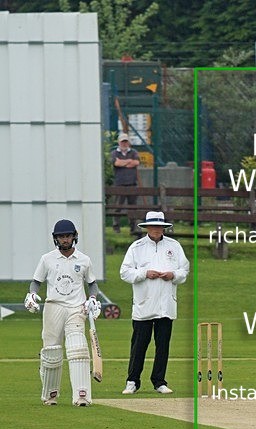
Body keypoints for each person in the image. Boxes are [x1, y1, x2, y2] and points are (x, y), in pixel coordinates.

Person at [25, 220, 102, 406]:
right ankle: (50, 395)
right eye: (61, 236)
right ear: (55, 238)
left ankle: (81, 395)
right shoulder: (47, 259)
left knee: (78, 349)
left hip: (76, 308)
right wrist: (32, 294)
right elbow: (36, 281)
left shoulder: (84, 260)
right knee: (51, 352)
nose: (65, 239)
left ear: (74, 236)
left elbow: (92, 284)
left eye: (67, 236)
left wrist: (92, 298)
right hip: (54, 307)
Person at [120, 211, 189, 395]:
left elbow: (184, 270)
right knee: (139, 346)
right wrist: (144, 273)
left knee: (163, 346)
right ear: (147, 227)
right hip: (144, 304)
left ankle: (159, 382)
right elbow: (125, 272)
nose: (157, 229)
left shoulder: (174, 246)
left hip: (166, 305)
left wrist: (173, 275)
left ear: (164, 228)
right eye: (153, 226)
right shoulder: (137, 247)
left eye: (160, 226)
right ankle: (132, 381)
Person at [110, 132, 141, 233]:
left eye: (126, 142)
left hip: (132, 183)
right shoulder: (114, 153)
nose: (124, 144)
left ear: (128, 142)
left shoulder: (134, 151)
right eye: (122, 142)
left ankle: (133, 227)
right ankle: (116, 227)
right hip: (119, 184)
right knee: (117, 207)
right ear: (119, 142)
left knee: (132, 207)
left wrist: (122, 162)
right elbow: (116, 163)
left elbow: (136, 162)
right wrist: (129, 161)